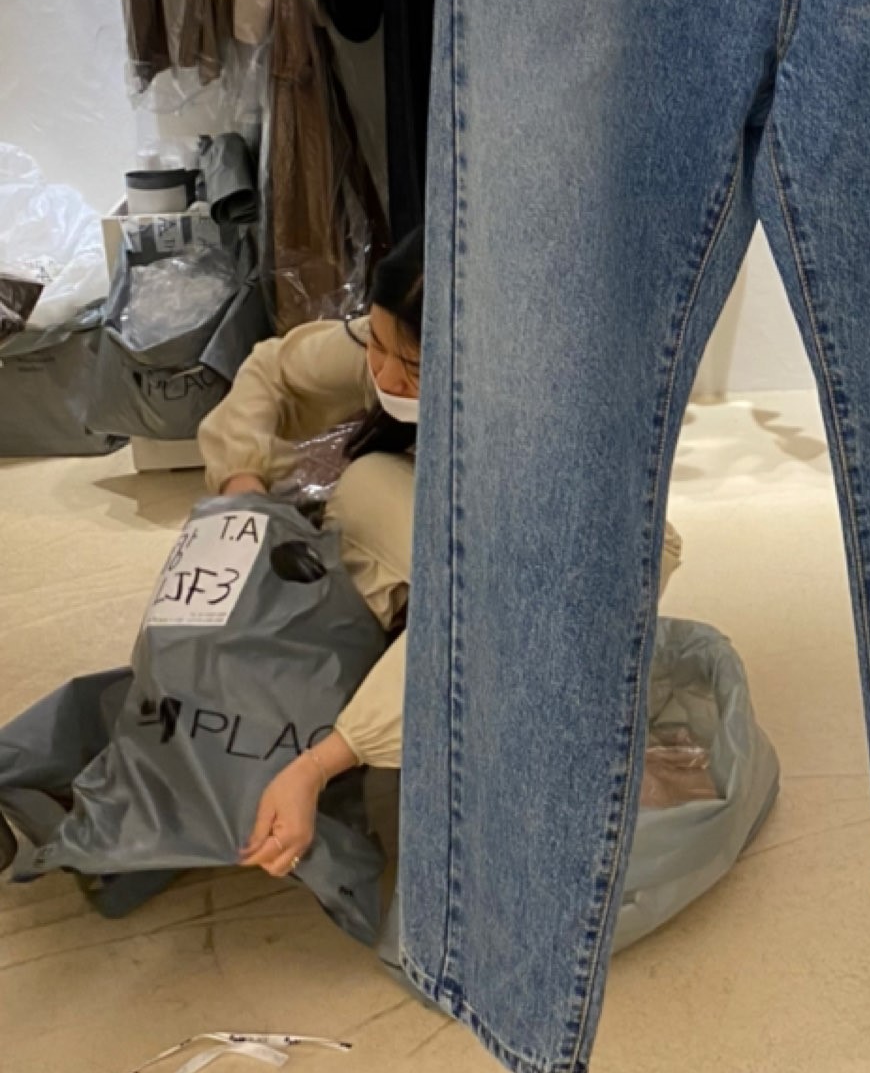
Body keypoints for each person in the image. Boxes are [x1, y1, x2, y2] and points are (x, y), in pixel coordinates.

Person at [194, 231, 683, 883]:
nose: (384, 374)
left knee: (537, 622)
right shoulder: (388, 341)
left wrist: (317, 765)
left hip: (544, 569)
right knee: (369, 489)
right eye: (376, 345)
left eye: (413, 366)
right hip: (425, 539)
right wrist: (242, 482)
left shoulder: (555, 432)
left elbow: (497, 608)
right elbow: (272, 369)